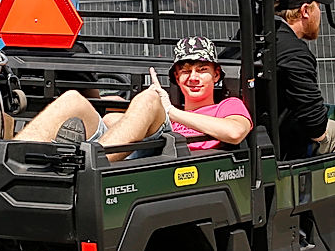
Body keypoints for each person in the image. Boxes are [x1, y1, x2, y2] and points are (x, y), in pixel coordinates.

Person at [15, 36, 251, 160]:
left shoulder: (228, 105)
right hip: (125, 147)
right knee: (72, 99)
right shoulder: (167, 106)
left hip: (160, 154)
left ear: (216, 75)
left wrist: (172, 112)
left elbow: (234, 133)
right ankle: (11, 157)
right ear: (176, 77)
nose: (193, 77)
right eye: (186, 70)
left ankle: (88, 161)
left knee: (148, 99)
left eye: (202, 70)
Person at [272, 0, 335, 159]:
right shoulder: (295, 53)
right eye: (318, 7)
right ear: (305, 11)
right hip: (281, 145)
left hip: (257, 132)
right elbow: (315, 125)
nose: (319, 14)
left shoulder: (254, 36)